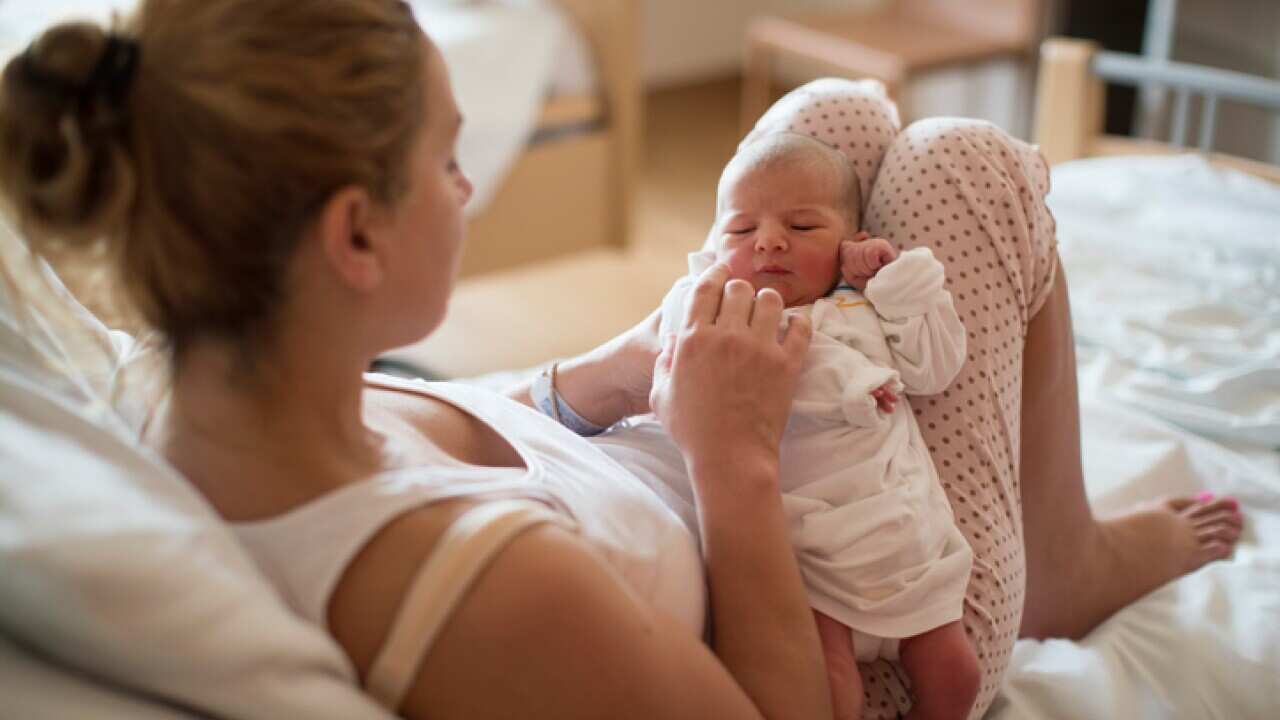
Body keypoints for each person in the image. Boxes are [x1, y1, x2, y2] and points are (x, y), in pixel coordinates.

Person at [0, 4, 1243, 718]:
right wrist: (732, 460)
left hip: (705, 429)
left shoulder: (193, 397)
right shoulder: (487, 595)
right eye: (445, 159)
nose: (467, 183)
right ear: (356, 234)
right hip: (853, 597)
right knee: (966, 162)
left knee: (833, 130)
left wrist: (604, 375)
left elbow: (490, 438)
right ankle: (1054, 565)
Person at [595, 131, 979, 720]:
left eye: (802, 228)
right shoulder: (727, 316)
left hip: (905, 550)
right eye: (741, 231)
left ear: (850, 241)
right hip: (810, 558)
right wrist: (704, 290)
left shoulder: (865, 307)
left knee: (957, 677)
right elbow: (694, 365)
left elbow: (937, 368)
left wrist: (893, 279)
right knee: (830, 687)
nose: (769, 241)